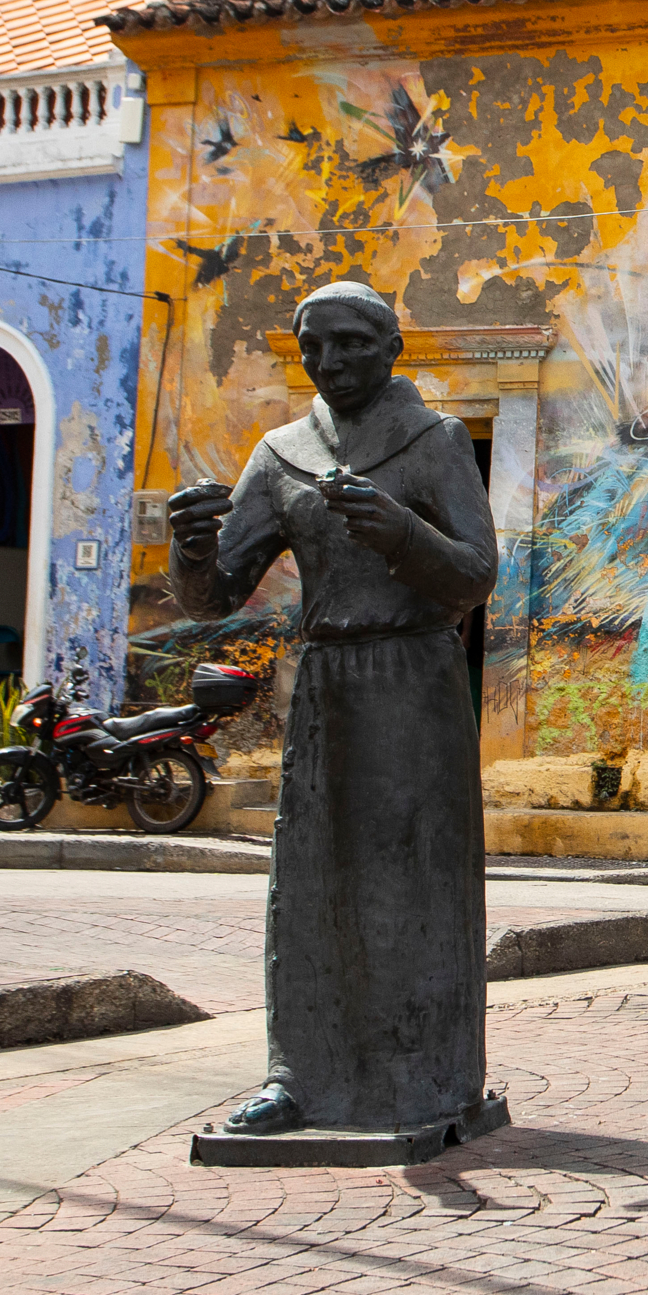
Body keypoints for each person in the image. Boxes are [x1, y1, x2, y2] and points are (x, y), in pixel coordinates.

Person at [168, 281, 499, 1137]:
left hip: (415, 679)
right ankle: (298, 1076)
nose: (329, 361)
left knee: (413, 877)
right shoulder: (280, 453)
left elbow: (473, 576)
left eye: (350, 342)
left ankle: (433, 1072)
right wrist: (192, 546)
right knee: (309, 882)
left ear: (391, 347)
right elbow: (214, 597)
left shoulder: (435, 442)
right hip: (326, 686)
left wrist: (400, 534)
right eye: (313, 346)